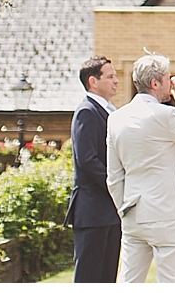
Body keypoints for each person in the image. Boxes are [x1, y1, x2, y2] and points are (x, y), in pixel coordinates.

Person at [106, 53, 175, 284]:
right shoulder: (166, 114)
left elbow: (113, 176)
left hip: (132, 210)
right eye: (168, 78)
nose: (172, 83)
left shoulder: (116, 118)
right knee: (172, 282)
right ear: (155, 83)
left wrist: (123, 208)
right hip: (167, 212)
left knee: (129, 281)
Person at [66, 56, 122, 282]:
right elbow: (87, 160)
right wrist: (116, 185)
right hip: (92, 210)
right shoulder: (86, 112)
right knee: (89, 277)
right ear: (93, 81)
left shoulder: (110, 111)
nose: (116, 81)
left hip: (110, 210)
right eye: (110, 76)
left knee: (108, 276)